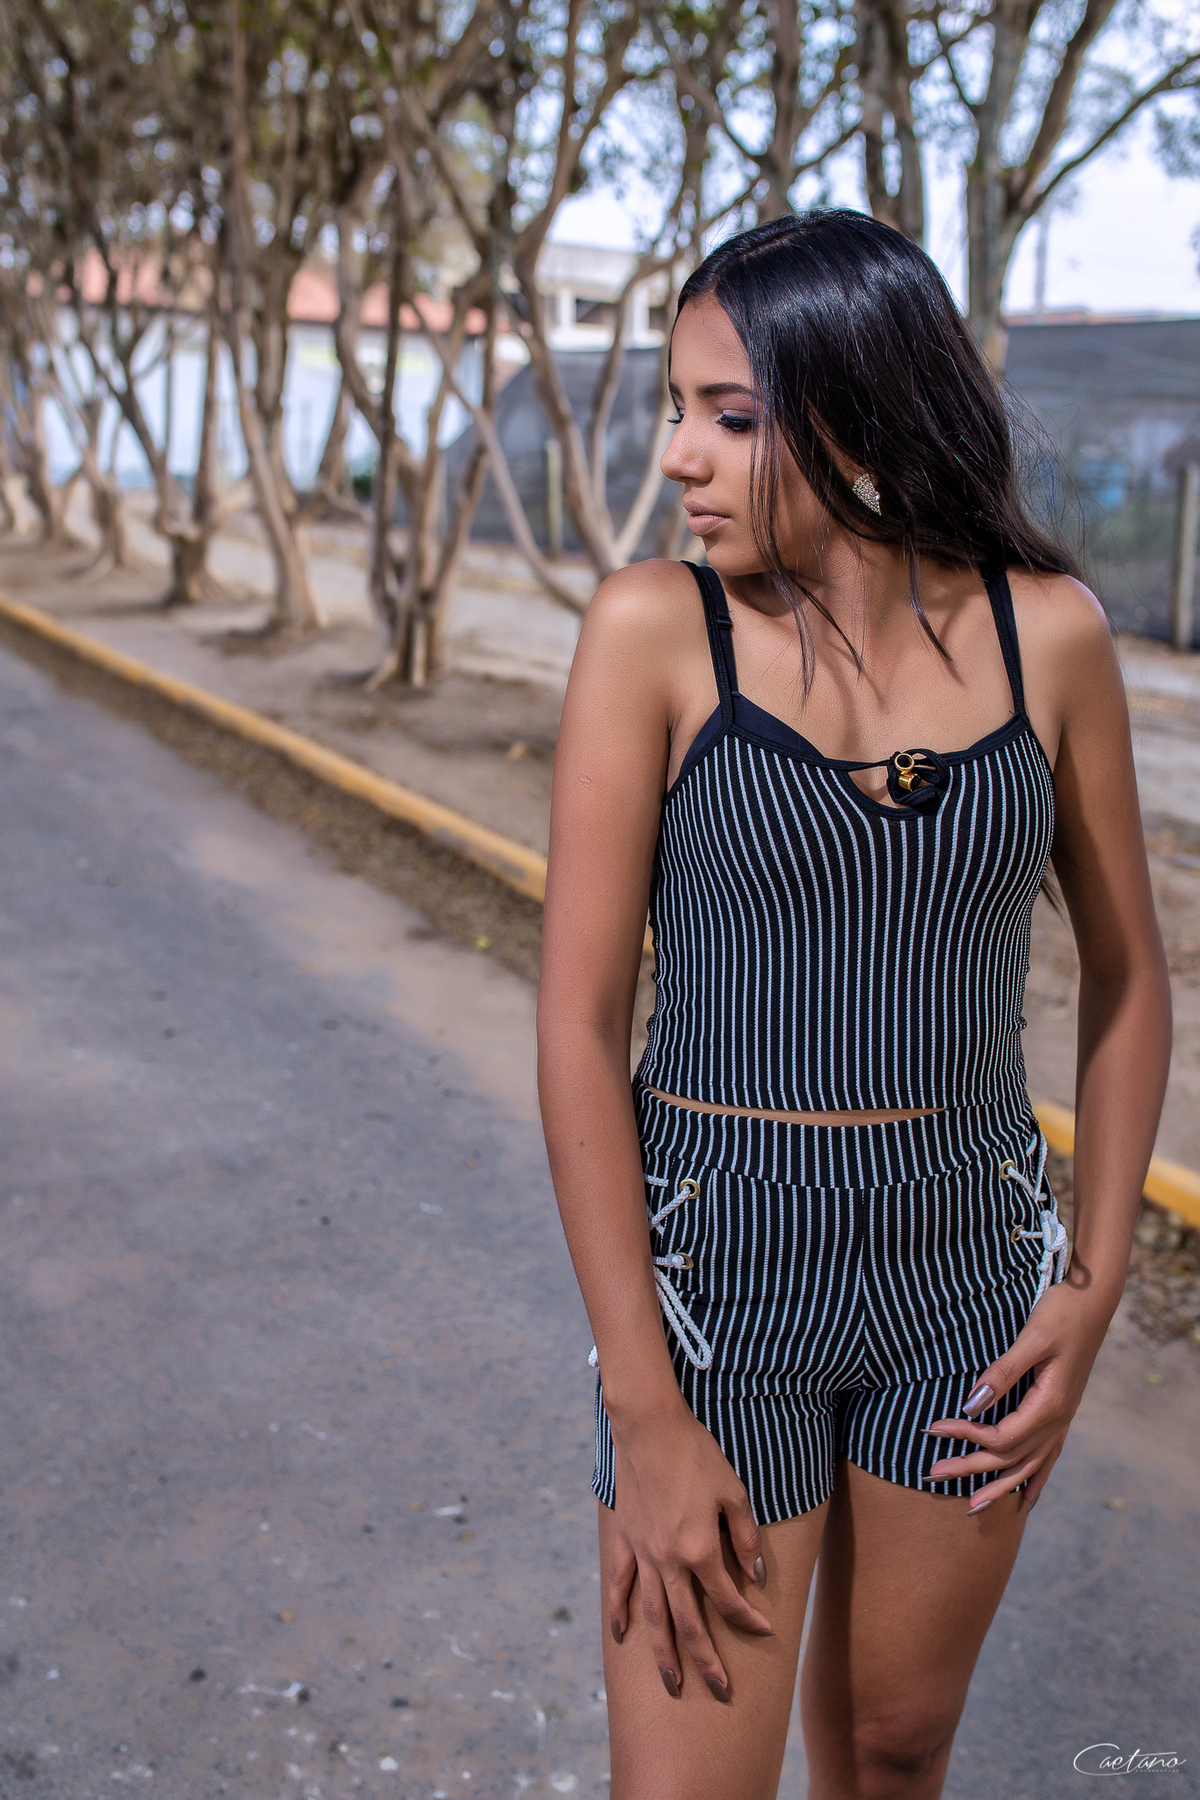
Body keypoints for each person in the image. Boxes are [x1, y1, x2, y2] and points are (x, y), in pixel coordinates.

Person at [535, 210, 1171, 1800]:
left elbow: (1128, 977)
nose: (679, 454)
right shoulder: (652, 634)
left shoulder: (1051, 636)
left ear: (861, 412)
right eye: (676, 407)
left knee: (895, 1748)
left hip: (968, 1272)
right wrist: (642, 1401)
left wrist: (1090, 1287)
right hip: (721, 1284)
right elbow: (576, 1028)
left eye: (729, 415)